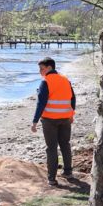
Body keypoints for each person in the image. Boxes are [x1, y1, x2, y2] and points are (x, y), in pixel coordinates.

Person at [31, 57, 76, 186]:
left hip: (50, 120)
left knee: (51, 148)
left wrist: (34, 121)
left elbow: (41, 103)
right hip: (65, 119)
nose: (40, 72)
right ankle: (68, 172)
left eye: (42, 69)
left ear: (49, 68)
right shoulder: (65, 80)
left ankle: (52, 179)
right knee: (65, 144)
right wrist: (72, 114)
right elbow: (73, 98)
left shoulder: (45, 81)